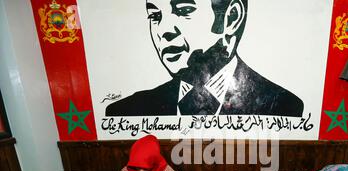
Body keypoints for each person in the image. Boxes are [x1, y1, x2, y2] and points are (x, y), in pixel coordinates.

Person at [105, 0, 303, 117]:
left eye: (184, 11)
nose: (163, 30)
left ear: (232, 17)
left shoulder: (285, 107)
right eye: (155, 16)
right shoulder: (126, 110)